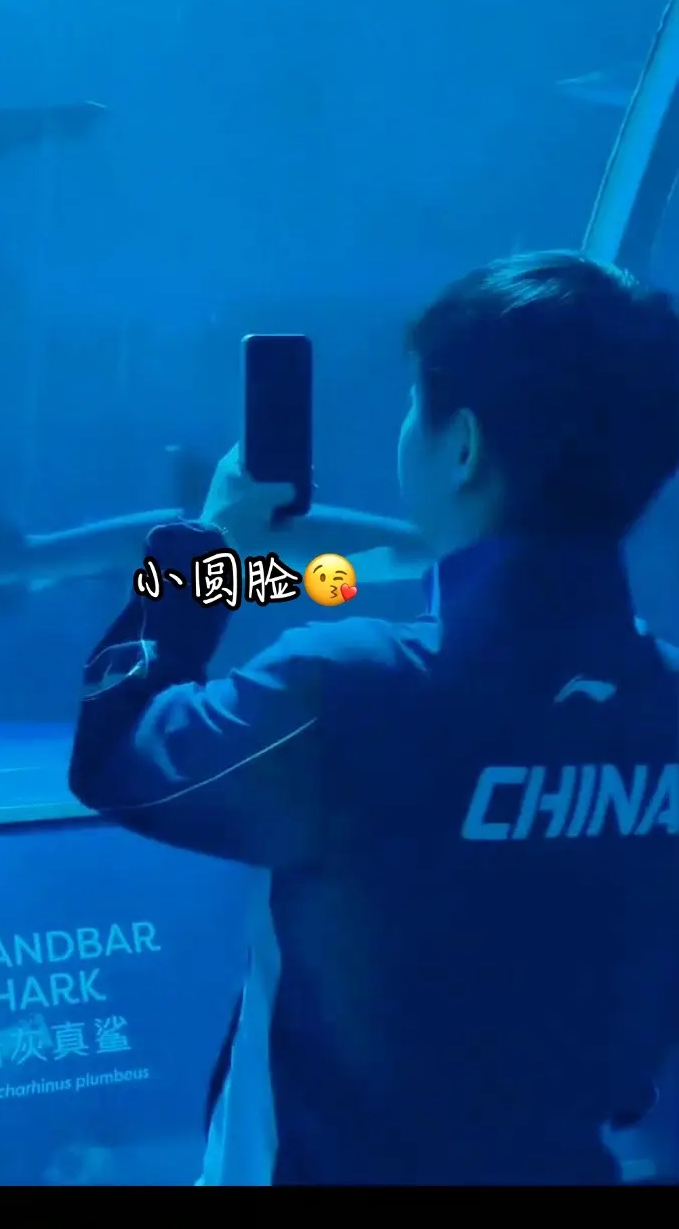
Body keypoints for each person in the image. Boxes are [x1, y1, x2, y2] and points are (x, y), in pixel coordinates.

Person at [69, 252, 679, 1186]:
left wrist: (208, 548)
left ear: (462, 445)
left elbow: (117, 747)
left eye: (414, 405)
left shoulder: (348, 688)